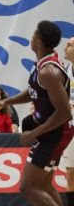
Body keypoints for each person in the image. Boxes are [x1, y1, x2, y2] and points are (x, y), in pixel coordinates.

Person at [2, 21, 72, 206]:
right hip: (53, 131)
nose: (31, 38)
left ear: (38, 41)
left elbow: (64, 113)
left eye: (33, 35)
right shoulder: (41, 65)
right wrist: (7, 101)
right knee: (44, 184)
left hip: (56, 132)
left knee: (28, 187)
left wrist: (33, 133)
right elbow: (33, 92)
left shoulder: (49, 71)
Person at [60, 36, 74, 206]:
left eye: (69, 45)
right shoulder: (65, 71)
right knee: (70, 173)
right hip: (70, 128)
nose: (65, 47)